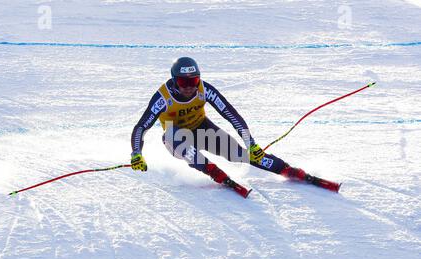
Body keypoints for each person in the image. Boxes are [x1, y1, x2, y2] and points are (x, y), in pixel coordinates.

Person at [130, 57, 340, 197]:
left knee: (242, 154)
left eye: (194, 81)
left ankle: (288, 169)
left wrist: (252, 144)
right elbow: (141, 127)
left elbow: (231, 115)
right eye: (184, 83)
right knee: (181, 140)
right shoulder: (163, 98)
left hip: (202, 130)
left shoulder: (204, 89)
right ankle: (215, 172)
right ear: (174, 81)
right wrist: (136, 153)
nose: (190, 88)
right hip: (176, 137)